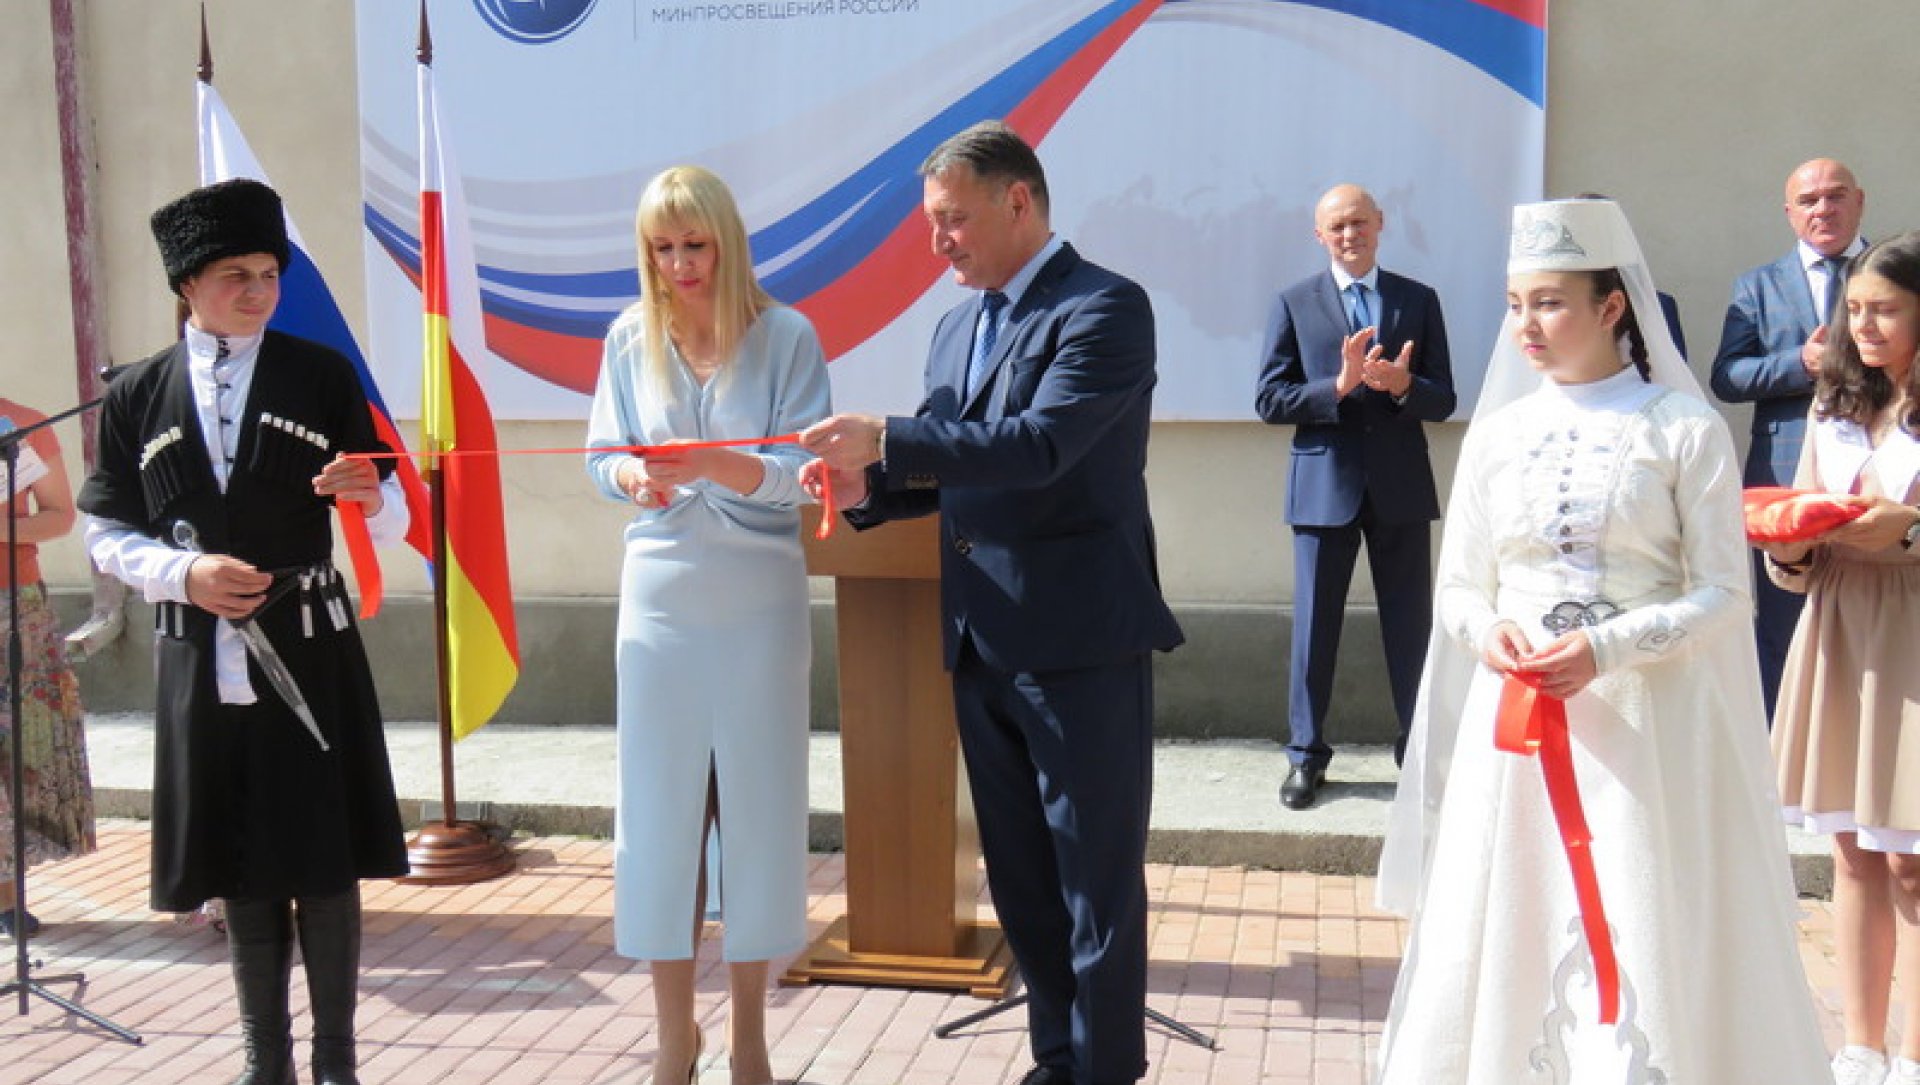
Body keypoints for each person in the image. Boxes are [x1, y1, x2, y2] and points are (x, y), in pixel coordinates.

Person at [1374, 199, 1828, 1082]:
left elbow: (1725, 593)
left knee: (1643, 908)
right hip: (1519, 732)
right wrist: (1493, 631)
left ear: (1611, 305)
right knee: (1518, 913)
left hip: (1648, 728)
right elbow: (1460, 586)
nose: (1526, 325)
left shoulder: (1682, 428)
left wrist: (1607, 649)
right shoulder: (1498, 435)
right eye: (1515, 303)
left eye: (1549, 302)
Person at [800, 120, 1183, 1085]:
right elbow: (948, 459)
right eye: (931, 223)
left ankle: (1105, 1069)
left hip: (1078, 642)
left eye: (954, 220)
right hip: (979, 638)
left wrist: (888, 440)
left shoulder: (1105, 307)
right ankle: (1057, 1059)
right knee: (1021, 881)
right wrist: (866, 487)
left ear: (1018, 201)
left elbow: (1039, 446)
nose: (939, 244)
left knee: (1093, 883)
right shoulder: (956, 325)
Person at [78, 178, 410, 1085]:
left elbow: (390, 519)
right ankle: (267, 1061)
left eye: (269, 273)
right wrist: (183, 575)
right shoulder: (135, 393)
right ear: (188, 282)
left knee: (324, 860)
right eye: (237, 275)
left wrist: (368, 497)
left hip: (309, 645)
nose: (259, 291)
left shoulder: (321, 374)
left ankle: (336, 1062)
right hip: (199, 653)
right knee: (241, 862)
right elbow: (104, 532)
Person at [585, 165, 829, 1085]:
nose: (680, 263)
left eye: (695, 244)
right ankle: (673, 1036)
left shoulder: (789, 336)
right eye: (662, 247)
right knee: (661, 818)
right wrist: (632, 477)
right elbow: (601, 453)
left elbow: (803, 476)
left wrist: (717, 464)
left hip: (760, 598)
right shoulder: (627, 336)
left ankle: (751, 1038)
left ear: (727, 241)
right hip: (659, 600)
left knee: (757, 813)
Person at [1764, 231, 1920, 1085]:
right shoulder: (1835, 403)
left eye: (1884, 309)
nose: (1863, 324)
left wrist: (1911, 531)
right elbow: (1799, 524)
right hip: (1839, 625)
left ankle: (1915, 1053)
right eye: (1855, 308)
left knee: (1913, 859)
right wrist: (1788, 548)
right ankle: (1861, 1045)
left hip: (1914, 628)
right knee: (1854, 851)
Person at [1252, 183, 1454, 809]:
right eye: (1336, 226)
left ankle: (1418, 752)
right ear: (1319, 235)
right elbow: (1269, 400)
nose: (1349, 235)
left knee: (1411, 627)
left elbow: (1444, 399)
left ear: (1380, 223)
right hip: (1323, 489)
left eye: (1359, 223)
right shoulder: (1294, 303)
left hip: (1400, 487)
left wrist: (1402, 386)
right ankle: (1305, 757)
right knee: (1315, 629)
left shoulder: (1418, 299)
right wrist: (1335, 388)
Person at [1711, 158, 1869, 717]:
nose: (1823, 209)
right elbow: (1727, 377)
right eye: (1808, 200)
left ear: (1859, 202)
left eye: (1835, 196)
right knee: (1785, 622)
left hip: (1882, 473)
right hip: (1787, 476)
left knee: (1879, 617)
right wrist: (1800, 362)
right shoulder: (1758, 286)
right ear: (1789, 213)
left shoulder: (1896, 272)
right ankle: (1781, 756)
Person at [0, 397, 95, 939]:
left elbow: (60, 515)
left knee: (20, 750)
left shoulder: (22, 423)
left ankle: (8, 897)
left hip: (15, 607)